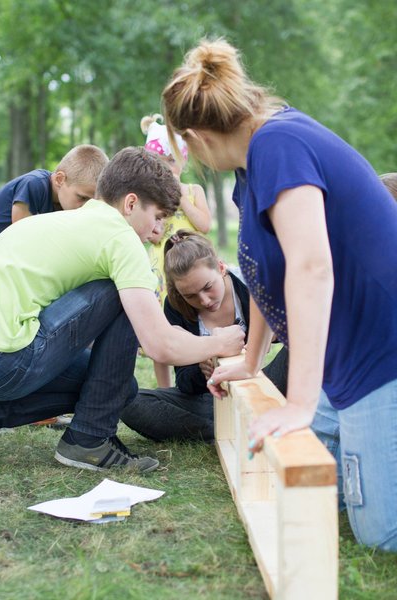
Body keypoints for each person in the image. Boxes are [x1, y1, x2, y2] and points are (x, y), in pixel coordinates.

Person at [161, 38, 397, 551]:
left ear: (195, 137)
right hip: (347, 361)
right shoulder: (252, 166)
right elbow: (269, 272)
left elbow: (311, 267)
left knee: (380, 533)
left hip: (383, 351)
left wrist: (300, 402)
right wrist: (251, 360)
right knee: (315, 491)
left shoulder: (279, 145)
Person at [0, 147, 245, 473]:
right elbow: (159, 344)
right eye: (156, 217)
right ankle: (89, 439)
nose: (156, 230)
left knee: (120, 389)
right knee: (124, 289)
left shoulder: (58, 222)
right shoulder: (120, 238)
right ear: (130, 204)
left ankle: (82, 430)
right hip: (8, 362)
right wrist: (220, 342)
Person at [121, 230, 288, 442]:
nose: (205, 300)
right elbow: (185, 383)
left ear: (220, 268)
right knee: (129, 401)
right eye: (190, 296)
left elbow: (295, 335)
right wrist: (201, 368)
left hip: (259, 385)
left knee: (299, 350)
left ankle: (246, 424)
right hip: (210, 400)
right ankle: (225, 433)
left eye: (208, 287)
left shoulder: (249, 284)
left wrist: (269, 334)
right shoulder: (175, 307)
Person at [141, 114, 212, 387]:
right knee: (160, 323)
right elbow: (153, 234)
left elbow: (204, 224)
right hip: (161, 269)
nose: (167, 168)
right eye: (160, 164)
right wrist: (156, 230)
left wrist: (182, 197)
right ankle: (164, 387)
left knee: (191, 316)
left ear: (183, 161)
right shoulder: (153, 197)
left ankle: (197, 370)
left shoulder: (193, 190)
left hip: (191, 264)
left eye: (171, 161)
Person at [0, 144, 109, 235]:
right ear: (60, 179)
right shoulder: (34, 184)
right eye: (82, 197)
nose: (85, 206)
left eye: (91, 201)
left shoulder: (64, 203)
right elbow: (21, 233)